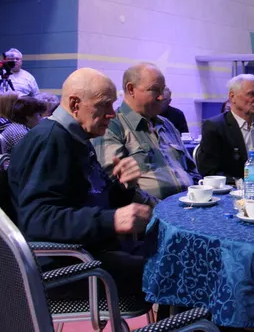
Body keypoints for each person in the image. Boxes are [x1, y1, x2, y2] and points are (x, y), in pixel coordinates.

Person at [8, 68, 154, 300]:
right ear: (75, 104)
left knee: (172, 254)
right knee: (173, 270)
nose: (112, 114)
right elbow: (37, 219)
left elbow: (92, 193)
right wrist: (112, 220)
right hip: (68, 267)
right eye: (104, 105)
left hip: (90, 251)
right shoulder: (51, 141)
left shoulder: (76, 137)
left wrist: (124, 188)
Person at [92, 63, 198, 200]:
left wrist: (200, 196)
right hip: (151, 210)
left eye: (162, 90)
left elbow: (192, 170)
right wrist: (161, 207)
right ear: (131, 89)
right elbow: (116, 188)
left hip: (188, 204)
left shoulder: (167, 125)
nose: (161, 97)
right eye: (154, 90)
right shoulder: (112, 126)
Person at [198, 74, 254, 183]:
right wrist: (240, 183)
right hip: (238, 189)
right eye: (251, 94)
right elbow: (210, 172)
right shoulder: (215, 127)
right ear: (232, 96)